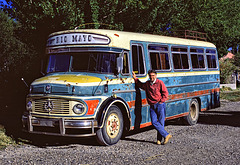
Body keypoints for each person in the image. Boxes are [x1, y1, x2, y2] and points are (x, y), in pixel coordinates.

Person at [132, 70, 172, 145]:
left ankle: (159, 140)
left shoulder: (160, 83)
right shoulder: (147, 84)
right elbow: (141, 85)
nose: (152, 77)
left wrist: (161, 101)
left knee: (161, 122)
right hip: (152, 105)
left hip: (160, 105)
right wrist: (135, 78)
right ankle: (166, 135)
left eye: (153, 75)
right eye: (150, 75)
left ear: (156, 76)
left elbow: (165, 93)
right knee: (154, 122)